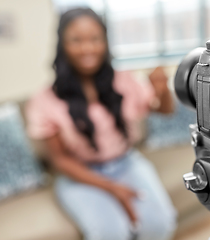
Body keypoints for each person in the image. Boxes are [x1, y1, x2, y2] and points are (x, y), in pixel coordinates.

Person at [25, 8, 177, 240]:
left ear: (105, 42)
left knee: (159, 224)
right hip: (81, 174)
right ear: (62, 44)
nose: (87, 48)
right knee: (110, 233)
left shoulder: (123, 81)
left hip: (127, 163)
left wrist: (162, 86)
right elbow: (59, 160)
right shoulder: (44, 100)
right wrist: (113, 189)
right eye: (76, 40)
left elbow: (165, 111)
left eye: (94, 39)